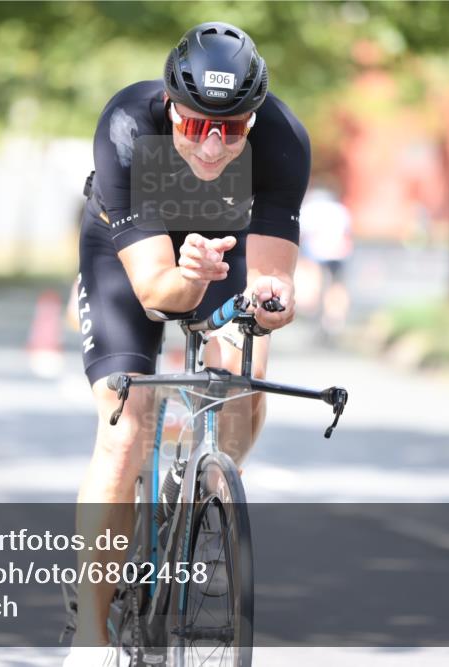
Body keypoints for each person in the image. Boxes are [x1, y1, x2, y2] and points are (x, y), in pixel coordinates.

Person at [66, 22, 309, 665]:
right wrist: (189, 275)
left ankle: (201, 494)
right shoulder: (127, 124)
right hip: (131, 256)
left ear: (253, 120)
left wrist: (273, 300)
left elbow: (273, 283)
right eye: (197, 124)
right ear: (171, 106)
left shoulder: (282, 139)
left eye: (231, 128)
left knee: (242, 390)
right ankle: (91, 637)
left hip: (222, 248)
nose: (212, 143)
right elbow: (156, 292)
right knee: (126, 427)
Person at [298, 187, 353, 337]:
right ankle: (335, 316)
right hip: (339, 253)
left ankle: (314, 310)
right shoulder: (341, 209)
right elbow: (347, 233)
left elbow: (302, 233)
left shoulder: (310, 208)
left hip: (316, 252)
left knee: (316, 281)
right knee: (337, 284)